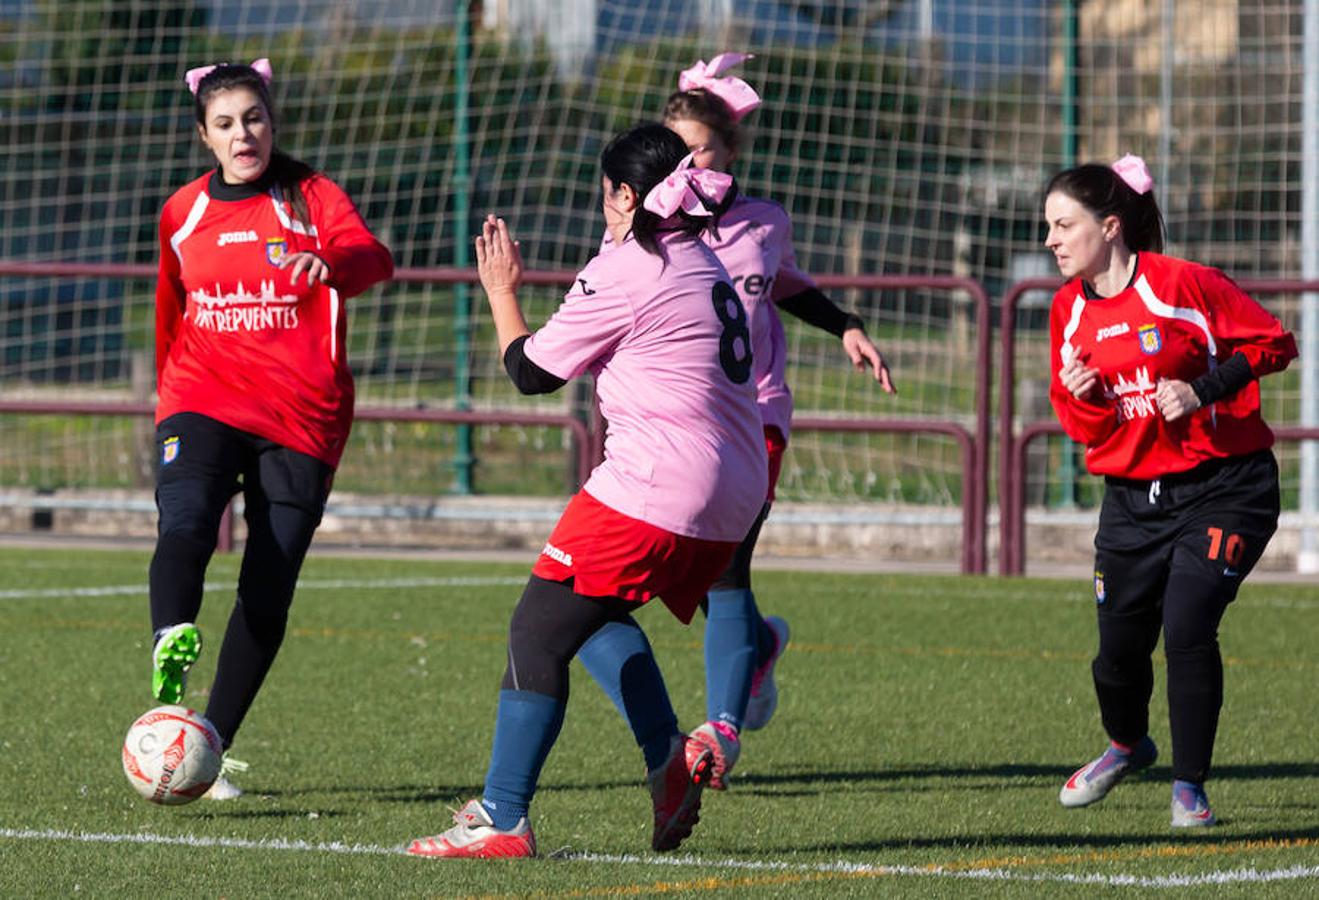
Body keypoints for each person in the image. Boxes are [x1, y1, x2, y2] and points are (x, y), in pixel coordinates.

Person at [406, 123, 767, 859]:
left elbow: (533, 372)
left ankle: (501, 816)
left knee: (536, 628)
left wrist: (501, 291)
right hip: (735, 490)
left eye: (607, 197)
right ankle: (668, 763)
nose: (602, 209)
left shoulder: (631, 267)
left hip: (661, 484)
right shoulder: (700, 254)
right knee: (590, 612)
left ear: (627, 196)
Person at [577, 53, 895, 791]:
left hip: (754, 415)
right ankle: (757, 643)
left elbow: (782, 284)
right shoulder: (638, 237)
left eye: (701, 152)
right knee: (670, 577)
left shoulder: (761, 224)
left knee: (726, 567)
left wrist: (843, 323)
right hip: (670, 426)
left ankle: (719, 729)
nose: (687, 166)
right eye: (675, 151)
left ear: (730, 154)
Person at [149, 59, 393, 799]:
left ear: (272, 121)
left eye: (252, 117)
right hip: (202, 396)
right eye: (225, 123)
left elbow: (374, 257)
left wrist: (333, 261)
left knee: (267, 586)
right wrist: (166, 401)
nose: (242, 133)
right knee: (186, 518)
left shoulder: (310, 196)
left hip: (301, 417)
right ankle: (169, 636)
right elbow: (168, 311)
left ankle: (208, 744)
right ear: (204, 136)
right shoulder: (181, 211)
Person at [1044, 154, 1296, 827]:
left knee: (1186, 626)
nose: (1051, 240)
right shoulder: (1066, 311)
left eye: (1063, 224)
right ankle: (1126, 745)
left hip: (1224, 486)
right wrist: (1084, 397)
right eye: (1048, 227)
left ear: (1109, 226)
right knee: (1116, 655)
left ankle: (1189, 787)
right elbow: (1082, 427)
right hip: (1130, 502)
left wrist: (1200, 389)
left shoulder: (1181, 284)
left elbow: (1274, 343)